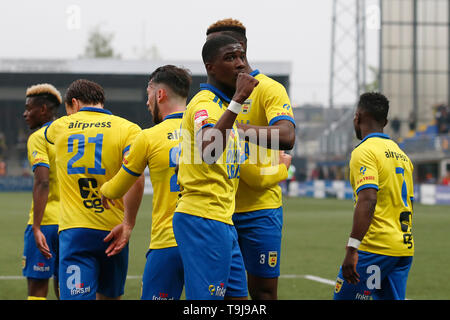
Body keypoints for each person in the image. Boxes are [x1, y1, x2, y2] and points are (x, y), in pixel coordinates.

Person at [206, 18, 296, 300]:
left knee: (263, 292)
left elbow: (287, 135)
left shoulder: (268, 88)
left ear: (240, 50)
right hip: (218, 211)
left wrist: (234, 128)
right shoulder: (209, 98)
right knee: (218, 292)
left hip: (260, 210)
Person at [174, 35, 258, 300]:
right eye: (230, 58)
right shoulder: (204, 104)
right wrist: (239, 98)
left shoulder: (222, 108)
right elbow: (209, 151)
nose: (240, 64)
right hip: (203, 218)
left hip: (222, 219)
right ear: (210, 66)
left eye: (242, 56)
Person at [44, 79, 144, 300]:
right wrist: (128, 225)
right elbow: (135, 179)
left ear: (74, 103)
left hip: (75, 231)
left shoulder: (59, 127)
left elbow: (46, 135)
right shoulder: (128, 129)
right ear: (101, 102)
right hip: (114, 230)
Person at [100, 65, 192, 300]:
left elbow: (118, 186)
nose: (147, 101)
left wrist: (104, 188)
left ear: (160, 94)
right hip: (209, 241)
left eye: (149, 93)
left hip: (168, 242)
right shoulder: (212, 133)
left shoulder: (149, 136)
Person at [333, 92, 414, 300]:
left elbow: (368, 199)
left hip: (375, 249)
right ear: (385, 121)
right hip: (403, 249)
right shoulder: (402, 155)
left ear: (357, 117)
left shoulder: (365, 151)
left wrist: (352, 248)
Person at [22, 83, 62, 300]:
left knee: (37, 288)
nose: (25, 113)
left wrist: (36, 226)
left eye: (29, 108)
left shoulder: (39, 137)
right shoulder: (70, 133)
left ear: (44, 110)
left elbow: (42, 182)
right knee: (65, 287)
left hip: (45, 222)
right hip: (70, 223)